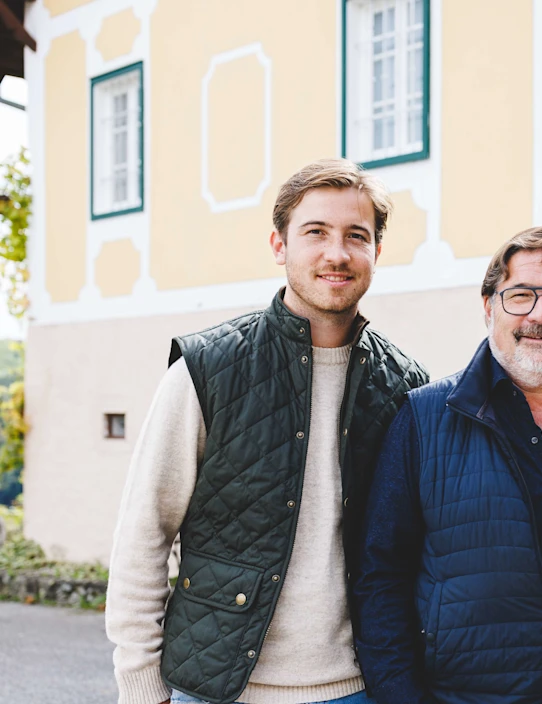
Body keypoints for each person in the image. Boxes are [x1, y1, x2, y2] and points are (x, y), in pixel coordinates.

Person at [105, 158, 430, 704]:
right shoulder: (207, 369)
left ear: (377, 250)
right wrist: (140, 685)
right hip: (219, 690)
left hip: (359, 688)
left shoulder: (404, 386)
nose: (337, 253)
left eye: (357, 235)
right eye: (315, 233)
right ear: (279, 245)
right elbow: (144, 533)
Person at [353, 226, 542, 703]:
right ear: (489, 306)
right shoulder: (424, 418)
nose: (541, 314)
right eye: (520, 295)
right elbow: (379, 580)